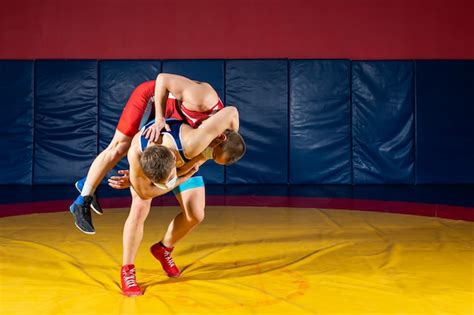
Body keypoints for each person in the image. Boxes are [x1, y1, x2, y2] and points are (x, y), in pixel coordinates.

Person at [111, 107, 244, 296]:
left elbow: (231, 112)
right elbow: (146, 192)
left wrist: (229, 137)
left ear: (173, 158)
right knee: (139, 209)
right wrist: (137, 180)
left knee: (196, 215)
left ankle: (163, 249)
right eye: (165, 181)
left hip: (185, 159)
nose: (170, 182)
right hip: (166, 169)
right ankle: (127, 270)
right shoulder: (136, 156)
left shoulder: (193, 142)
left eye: (170, 178)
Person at [69, 73, 226, 233]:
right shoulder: (204, 100)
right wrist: (159, 119)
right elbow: (162, 79)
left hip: (173, 114)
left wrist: (134, 178)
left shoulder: (210, 139)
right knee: (121, 146)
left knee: (154, 152)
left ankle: (89, 181)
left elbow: (163, 164)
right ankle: (82, 201)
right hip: (154, 98)